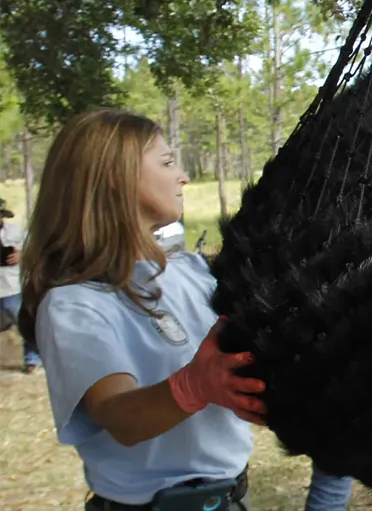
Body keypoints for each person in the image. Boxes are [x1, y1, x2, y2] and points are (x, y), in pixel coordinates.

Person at [17, 109, 267, 510]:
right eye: (167, 163)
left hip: (233, 499)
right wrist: (193, 387)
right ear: (114, 179)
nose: (182, 176)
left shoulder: (191, 272)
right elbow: (121, 417)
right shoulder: (73, 303)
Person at [0, 196, 40, 373]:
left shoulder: (15, 232)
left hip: (11, 287)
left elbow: (37, 248)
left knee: (25, 323)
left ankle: (32, 360)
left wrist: (22, 255)